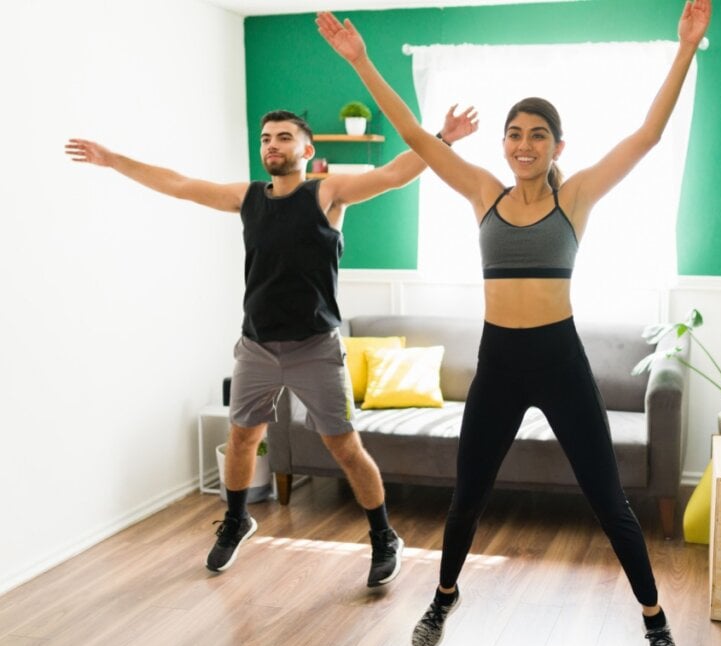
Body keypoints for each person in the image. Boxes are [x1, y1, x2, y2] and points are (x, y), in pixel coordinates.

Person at [315, 1, 710, 646]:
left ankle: (656, 625)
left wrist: (682, 50)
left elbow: (646, 135)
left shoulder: (576, 197)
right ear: (502, 145)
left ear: (558, 144)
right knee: (468, 493)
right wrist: (360, 61)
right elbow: (413, 130)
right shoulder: (482, 192)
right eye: (513, 134)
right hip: (498, 361)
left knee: (608, 499)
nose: (523, 145)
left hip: (559, 359)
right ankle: (444, 597)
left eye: (537, 135)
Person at [64, 106, 479, 586]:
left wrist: (443, 139)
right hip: (256, 346)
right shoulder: (247, 198)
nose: (272, 146)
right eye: (265, 139)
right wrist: (114, 160)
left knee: (344, 448)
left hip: (315, 348)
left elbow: (392, 174)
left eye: (283, 138)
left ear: (307, 150)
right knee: (242, 438)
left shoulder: (327, 193)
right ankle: (238, 519)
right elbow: (178, 184)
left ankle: (384, 536)